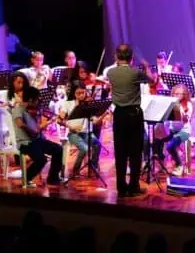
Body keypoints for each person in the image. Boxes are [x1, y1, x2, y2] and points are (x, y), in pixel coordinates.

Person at [106, 44, 154, 197]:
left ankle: (121, 188)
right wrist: (146, 67)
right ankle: (133, 186)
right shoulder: (135, 72)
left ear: (116, 56)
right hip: (134, 114)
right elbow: (152, 81)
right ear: (131, 57)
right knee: (135, 151)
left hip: (119, 114)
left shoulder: (110, 72)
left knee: (120, 151)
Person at [9, 86, 63, 187]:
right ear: (30, 100)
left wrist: (44, 122)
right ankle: (26, 178)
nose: (38, 102)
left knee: (58, 149)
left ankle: (53, 178)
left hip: (36, 140)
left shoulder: (31, 111)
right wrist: (32, 131)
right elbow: (20, 123)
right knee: (41, 159)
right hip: (25, 143)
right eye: (37, 99)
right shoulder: (17, 109)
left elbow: (37, 128)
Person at [58, 85, 103, 178]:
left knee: (97, 144)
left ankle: (93, 166)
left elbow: (95, 121)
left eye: (83, 93)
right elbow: (59, 120)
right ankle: (75, 170)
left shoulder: (88, 105)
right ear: (74, 94)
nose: (81, 95)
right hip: (73, 134)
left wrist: (104, 114)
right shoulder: (68, 104)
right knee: (84, 148)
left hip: (86, 133)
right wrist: (69, 126)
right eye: (78, 93)